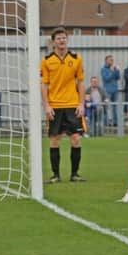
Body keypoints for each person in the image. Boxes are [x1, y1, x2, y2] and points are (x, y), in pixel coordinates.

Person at [41, 27, 87, 183]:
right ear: (54, 41)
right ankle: (56, 175)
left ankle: (75, 174)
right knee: (55, 140)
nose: (62, 40)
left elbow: (80, 82)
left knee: (76, 139)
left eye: (64, 38)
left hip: (72, 105)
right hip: (55, 106)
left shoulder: (76, 59)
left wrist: (81, 104)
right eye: (59, 38)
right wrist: (46, 106)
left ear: (67, 40)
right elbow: (44, 85)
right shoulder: (47, 61)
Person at [100, 55, 120, 126]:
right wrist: (113, 71)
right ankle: (106, 122)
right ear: (106, 61)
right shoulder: (103, 69)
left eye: (112, 60)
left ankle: (115, 122)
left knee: (115, 107)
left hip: (115, 90)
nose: (111, 61)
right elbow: (107, 78)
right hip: (107, 91)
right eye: (110, 60)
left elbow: (118, 77)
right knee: (107, 107)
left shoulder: (113, 69)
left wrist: (117, 71)